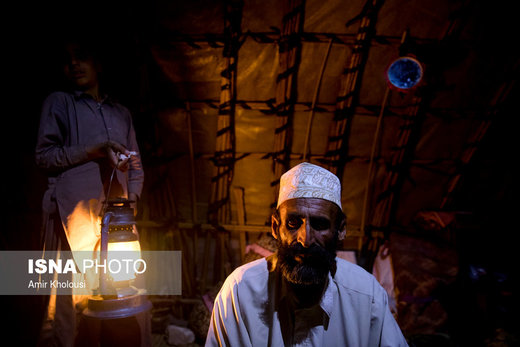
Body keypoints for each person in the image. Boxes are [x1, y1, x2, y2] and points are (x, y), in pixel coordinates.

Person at [205, 162, 408, 346]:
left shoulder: (366, 295)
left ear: (341, 230)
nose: (305, 239)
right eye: (293, 223)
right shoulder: (240, 292)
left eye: (320, 225)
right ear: (276, 227)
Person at [34, 37, 144, 346]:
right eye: (67, 59)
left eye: (81, 56)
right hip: (72, 216)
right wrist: (91, 151)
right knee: (70, 301)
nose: (74, 64)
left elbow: (135, 163)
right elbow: (43, 157)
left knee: (119, 291)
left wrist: (132, 196)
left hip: (116, 220)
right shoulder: (60, 103)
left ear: (98, 63)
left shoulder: (120, 113)